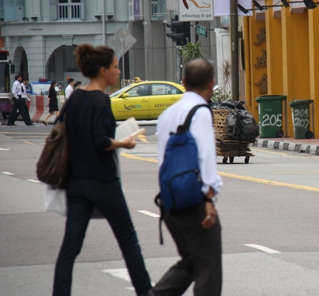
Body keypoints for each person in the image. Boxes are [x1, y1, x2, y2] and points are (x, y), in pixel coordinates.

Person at [53, 44, 152, 296]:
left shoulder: (75, 99)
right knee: (128, 240)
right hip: (103, 182)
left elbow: (60, 130)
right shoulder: (101, 101)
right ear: (103, 70)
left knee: (70, 247)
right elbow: (100, 141)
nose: (118, 72)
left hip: (76, 182)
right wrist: (124, 143)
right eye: (116, 67)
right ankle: (145, 292)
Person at [150, 58, 223, 296]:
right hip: (194, 202)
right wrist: (209, 199)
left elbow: (163, 160)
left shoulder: (167, 114)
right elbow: (205, 157)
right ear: (211, 83)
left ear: (183, 82)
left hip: (170, 201)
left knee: (192, 261)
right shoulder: (200, 112)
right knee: (209, 267)